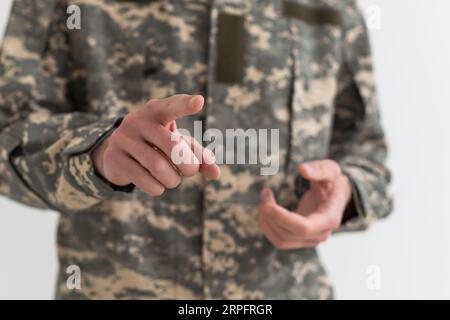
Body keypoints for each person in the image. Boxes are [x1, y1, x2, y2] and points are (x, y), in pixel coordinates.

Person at [0, 0, 392, 299]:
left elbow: (367, 154)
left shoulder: (331, 7)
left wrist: (344, 195)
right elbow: (8, 140)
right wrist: (98, 152)